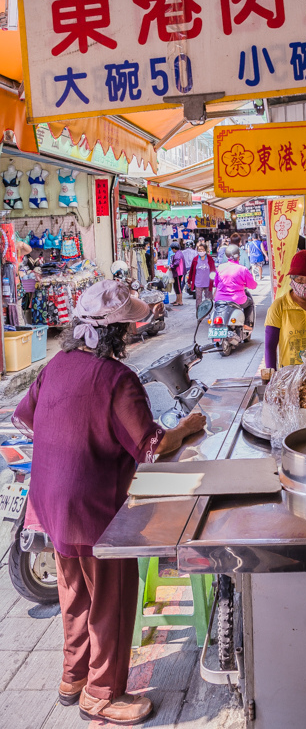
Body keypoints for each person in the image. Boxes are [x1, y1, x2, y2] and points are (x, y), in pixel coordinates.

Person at [12, 281, 205, 725]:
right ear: (120, 332)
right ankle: (100, 694)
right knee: (111, 602)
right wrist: (190, 425)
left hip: (50, 505)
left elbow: (25, 419)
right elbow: (151, 447)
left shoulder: (55, 364)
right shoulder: (118, 379)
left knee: (74, 595)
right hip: (95, 510)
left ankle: (73, 677)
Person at [215, 244, 258, 330]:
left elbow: (216, 284)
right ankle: (247, 324)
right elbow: (252, 285)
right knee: (250, 303)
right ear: (238, 256)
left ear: (227, 256)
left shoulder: (220, 267)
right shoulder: (242, 269)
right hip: (237, 299)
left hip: (219, 299)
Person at [187, 240, 215, 308]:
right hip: (198, 283)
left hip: (208, 283)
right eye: (199, 250)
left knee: (208, 299)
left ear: (205, 250)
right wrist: (189, 281)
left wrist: (214, 281)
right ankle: (199, 313)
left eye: (202, 249)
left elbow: (213, 271)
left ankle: (208, 312)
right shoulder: (195, 259)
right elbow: (191, 271)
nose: (200, 251)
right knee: (198, 299)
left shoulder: (210, 259)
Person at [170, 241, 185, 306]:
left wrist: (171, 266)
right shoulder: (178, 253)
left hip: (178, 272)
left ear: (174, 248)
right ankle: (177, 300)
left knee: (178, 287)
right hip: (177, 272)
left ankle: (180, 301)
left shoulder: (178, 254)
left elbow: (176, 263)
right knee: (176, 286)